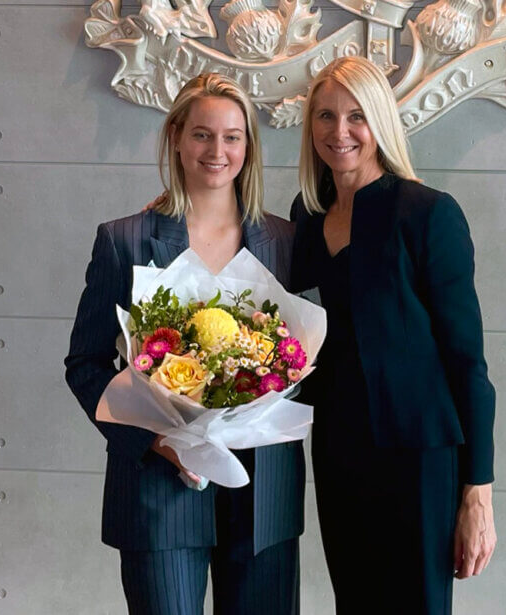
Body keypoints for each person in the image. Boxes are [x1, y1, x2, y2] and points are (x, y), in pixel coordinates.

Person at [64, 73, 303, 615]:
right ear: (175, 137)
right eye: (201, 134)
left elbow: (307, 358)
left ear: (249, 146)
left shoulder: (287, 242)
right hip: (159, 491)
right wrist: (156, 441)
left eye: (232, 137)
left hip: (264, 494)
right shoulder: (124, 240)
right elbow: (85, 364)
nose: (217, 151)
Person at [289, 56, 497, 614]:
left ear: (380, 120)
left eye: (356, 115)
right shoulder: (307, 217)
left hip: (419, 459)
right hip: (339, 451)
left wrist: (478, 492)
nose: (340, 131)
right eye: (326, 116)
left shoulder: (428, 214)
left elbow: (468, 364)